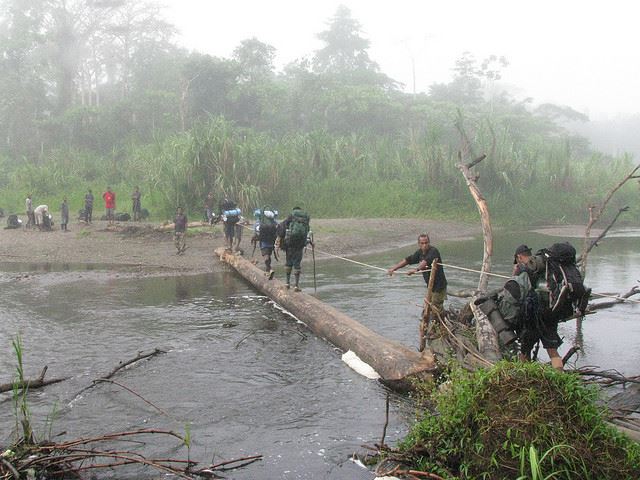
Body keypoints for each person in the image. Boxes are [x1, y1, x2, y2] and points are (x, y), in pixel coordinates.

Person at [387, 233, 448, 314]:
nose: (424, 245)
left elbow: (426, 261)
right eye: (422, 243)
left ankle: (439, 322)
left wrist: (416, 269)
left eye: (426, 243)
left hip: (439, 286)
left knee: (435, 308)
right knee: (429, 308)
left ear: (429, 242)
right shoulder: (419, 253)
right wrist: (394, 269)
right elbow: (408, 260)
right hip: (431, 286)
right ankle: (438, 320)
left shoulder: (433, 251)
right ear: (419, 244)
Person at [277, 207, 311, 291]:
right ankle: (296, 286)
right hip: (299, 246)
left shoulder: (290, 219)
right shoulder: (305, 221)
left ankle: (287, 283)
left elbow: (281, 228)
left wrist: (280, 241)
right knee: (297, 265)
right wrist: (310, 242)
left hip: (290, 245)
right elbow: (307, 233)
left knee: (288, 263)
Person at [253, 208, 278, 279]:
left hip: (264, 242)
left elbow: (256, 232)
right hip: (272, 242)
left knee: (265, 256)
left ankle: (269, 269)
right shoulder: (274, 222)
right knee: (268, 255)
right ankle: (268, 271)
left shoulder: (259, 222)